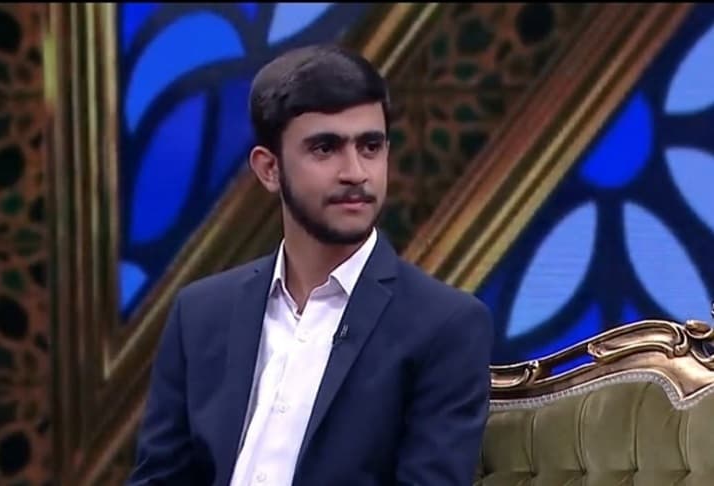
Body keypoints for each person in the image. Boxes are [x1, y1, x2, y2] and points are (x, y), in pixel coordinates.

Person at [127, 44, 494, 486]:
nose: (355, 172)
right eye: (325, 148)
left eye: (370, 146)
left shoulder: (445, 326)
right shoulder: (200, 314)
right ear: (269, 169)